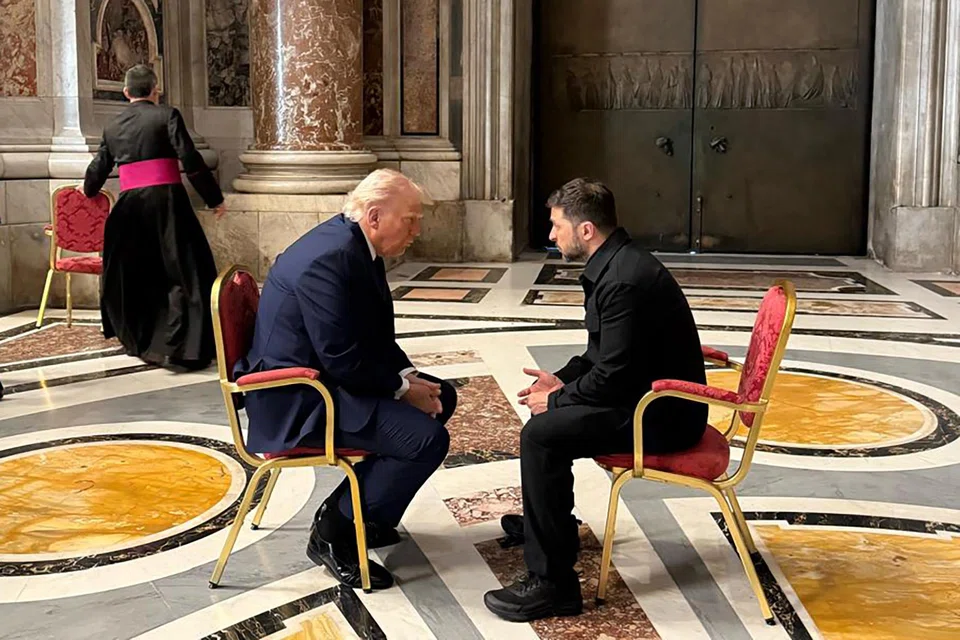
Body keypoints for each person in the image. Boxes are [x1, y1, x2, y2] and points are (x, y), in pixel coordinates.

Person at [483, 178, 708, 622]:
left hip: (661, 415)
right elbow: (600, 356)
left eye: (557, 226)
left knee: (542, 435)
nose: (552, 235)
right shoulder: (617, 265)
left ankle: (553, 585)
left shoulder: (623, 280)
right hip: (644, 397)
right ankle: (552, 530)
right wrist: (560, 380)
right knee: (546, 428)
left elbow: (613, 376)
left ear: (585, 230)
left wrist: (558, 401)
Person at [235, 169, 457, 590]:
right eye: (410, 219)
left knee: (442, 396)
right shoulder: (330, 258)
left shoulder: (354, 245)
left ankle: (368, 514)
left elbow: (370, 334)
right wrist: (402, 390)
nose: (417, 230)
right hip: (298, 398)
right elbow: (341, 356)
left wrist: (408, 376)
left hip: (326, 379)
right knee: (426, 441)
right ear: (374, 216)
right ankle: (333, 530)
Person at [83, 64, 225, 371]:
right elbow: (190, 159)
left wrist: (89, 190)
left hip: (129, 207)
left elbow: (99, 166)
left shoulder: (112, 125)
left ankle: (142, 340)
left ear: (126, 92)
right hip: (168, 203)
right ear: (155, 89)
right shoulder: (167, 115)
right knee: (185, 271)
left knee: (137, 274)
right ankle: (184, 346)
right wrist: (214, 198)